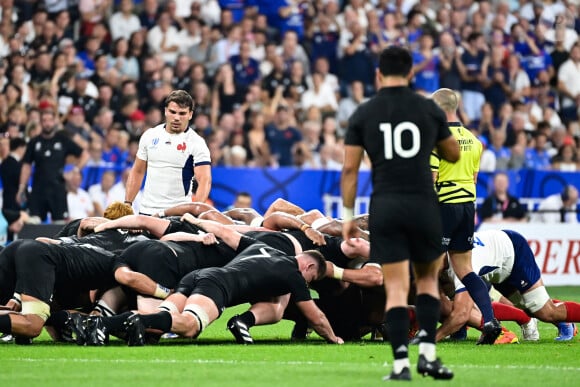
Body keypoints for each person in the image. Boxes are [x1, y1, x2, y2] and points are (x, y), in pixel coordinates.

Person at [341, 46, 459, 381]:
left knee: (394, 289)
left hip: (386, 206)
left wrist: (349, 215)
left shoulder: (364, 113)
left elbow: (349, 170)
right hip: (422, 204)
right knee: (426, 283)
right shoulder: (427, 108)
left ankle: (399, 365)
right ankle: (429, 357)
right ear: (411, 74)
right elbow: (451, 153)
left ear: (378, 74)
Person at [77, 244, 343, 346]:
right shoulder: (293, 274)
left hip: (198, 275)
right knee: (190, 327)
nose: (306, 283)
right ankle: (138, 322)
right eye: (311, 279)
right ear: (308, 266)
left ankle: (101, 323)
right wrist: (333, 338)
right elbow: (314, 316)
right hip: (218, 286)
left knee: (164, 316)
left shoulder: (263, 248)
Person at [430, 88, 502, 346]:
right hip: (467, 208)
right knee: (465, 270)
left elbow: (431, 181)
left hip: (445, 207)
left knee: (430, 268)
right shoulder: (474, 140)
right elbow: (472, 179)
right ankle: (490, 320)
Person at [450, 229, 580, 341]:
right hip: (495, 265)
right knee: (529, 307)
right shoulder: (446, 255)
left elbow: (462, 311)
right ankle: (542, 319)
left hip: (512, 252)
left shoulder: (457, 263)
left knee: (546, 311)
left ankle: (561, 319)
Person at [124, 90, 212, 215]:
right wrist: (127, 203)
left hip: (177, 216)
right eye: (172, 112)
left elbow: (204, 180)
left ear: (190, 114)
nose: (176, 117)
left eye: (182, 113)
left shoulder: (197, 143)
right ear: (165, 111)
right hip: (146, 212)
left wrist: (194, 213)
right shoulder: (149, 136)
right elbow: (137, 171)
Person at [16, 108, 89, 223]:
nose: (47, 123)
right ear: (40, 122)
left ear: (55, 121)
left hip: (58, 189)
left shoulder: (63, 140)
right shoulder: (34, 142)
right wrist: (21, 187)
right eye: (44, 120)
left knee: (59, 224)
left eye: (50, 120)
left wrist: (74, 171)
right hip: (38, 189)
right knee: (33, 222)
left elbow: (85, 154)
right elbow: (26, 166)